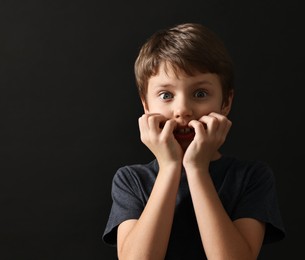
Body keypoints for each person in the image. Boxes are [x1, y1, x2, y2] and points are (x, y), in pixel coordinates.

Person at [102, 22, 285, 259]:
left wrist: (197, 168)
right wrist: (169, 167)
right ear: (146, 105)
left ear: (226, 102)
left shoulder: (251, 177)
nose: (183, 110)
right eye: (166, 95)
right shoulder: (131, 180)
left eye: (200, 94)